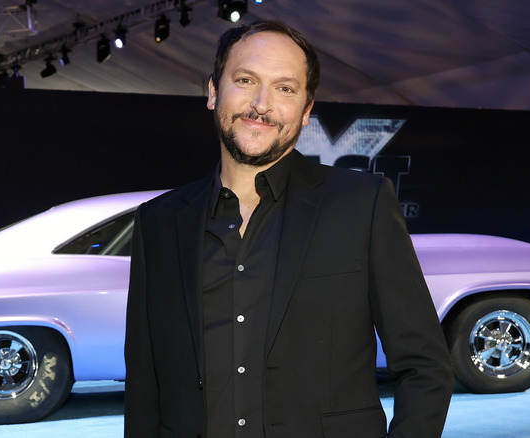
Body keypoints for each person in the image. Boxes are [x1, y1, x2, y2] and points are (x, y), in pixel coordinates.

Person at [125, 19, 454, 438]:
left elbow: (425, 366)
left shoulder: (361, 205)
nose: (261, 104)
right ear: (213, 91)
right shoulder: (159, 221)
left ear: (306, 109)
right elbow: (143, 383)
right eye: (245, 80)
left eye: (285, 88)